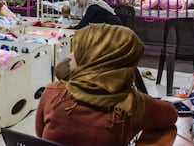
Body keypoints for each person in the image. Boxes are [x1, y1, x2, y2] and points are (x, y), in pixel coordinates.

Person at [35, 24, 178, 146]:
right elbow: (171, 115)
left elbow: (40, 135)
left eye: (80, 50)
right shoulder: (132, 105)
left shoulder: (54, 93)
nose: (71, 55)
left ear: (94, 57)